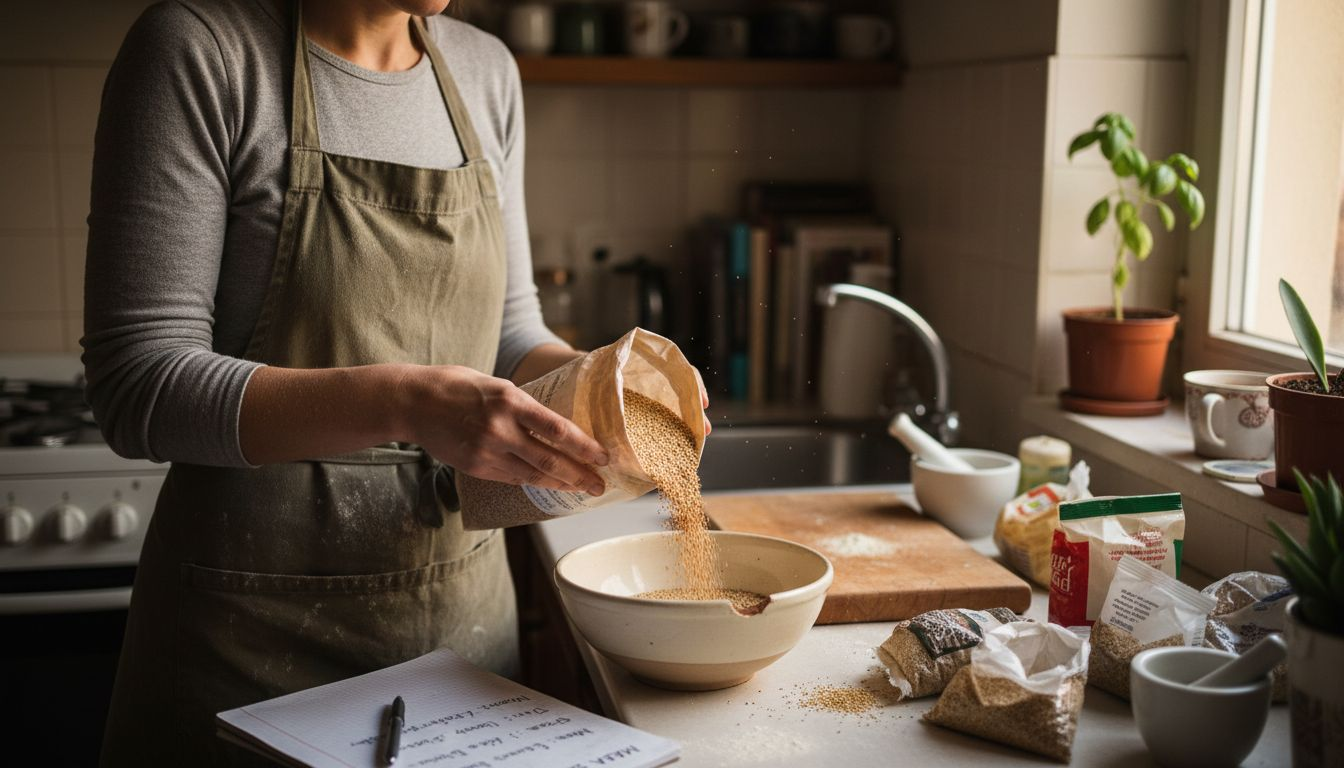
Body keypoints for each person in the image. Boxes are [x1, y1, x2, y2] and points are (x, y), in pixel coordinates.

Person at [85, 1, 703, 764]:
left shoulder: (485, 71)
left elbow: (510, 334)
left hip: (462, 648)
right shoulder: (202, 53)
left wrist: (605, 389)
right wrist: (407, 403)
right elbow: (138, 384)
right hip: (243, 651)